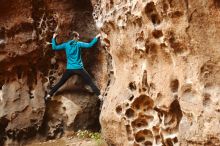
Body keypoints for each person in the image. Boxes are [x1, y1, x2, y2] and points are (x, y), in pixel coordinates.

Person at [45, 31, 102, 101]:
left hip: (70, 69)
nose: (79, 38)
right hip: (79, 68)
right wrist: (97, 36)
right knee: (90, 82)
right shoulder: (78, 44)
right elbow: (90, 45)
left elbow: (54, 47)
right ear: (74, 37)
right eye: (78, 36)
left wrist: (53, 38)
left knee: (60, 83)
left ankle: (49, 94)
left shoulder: (66, 45)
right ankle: (99, 96)